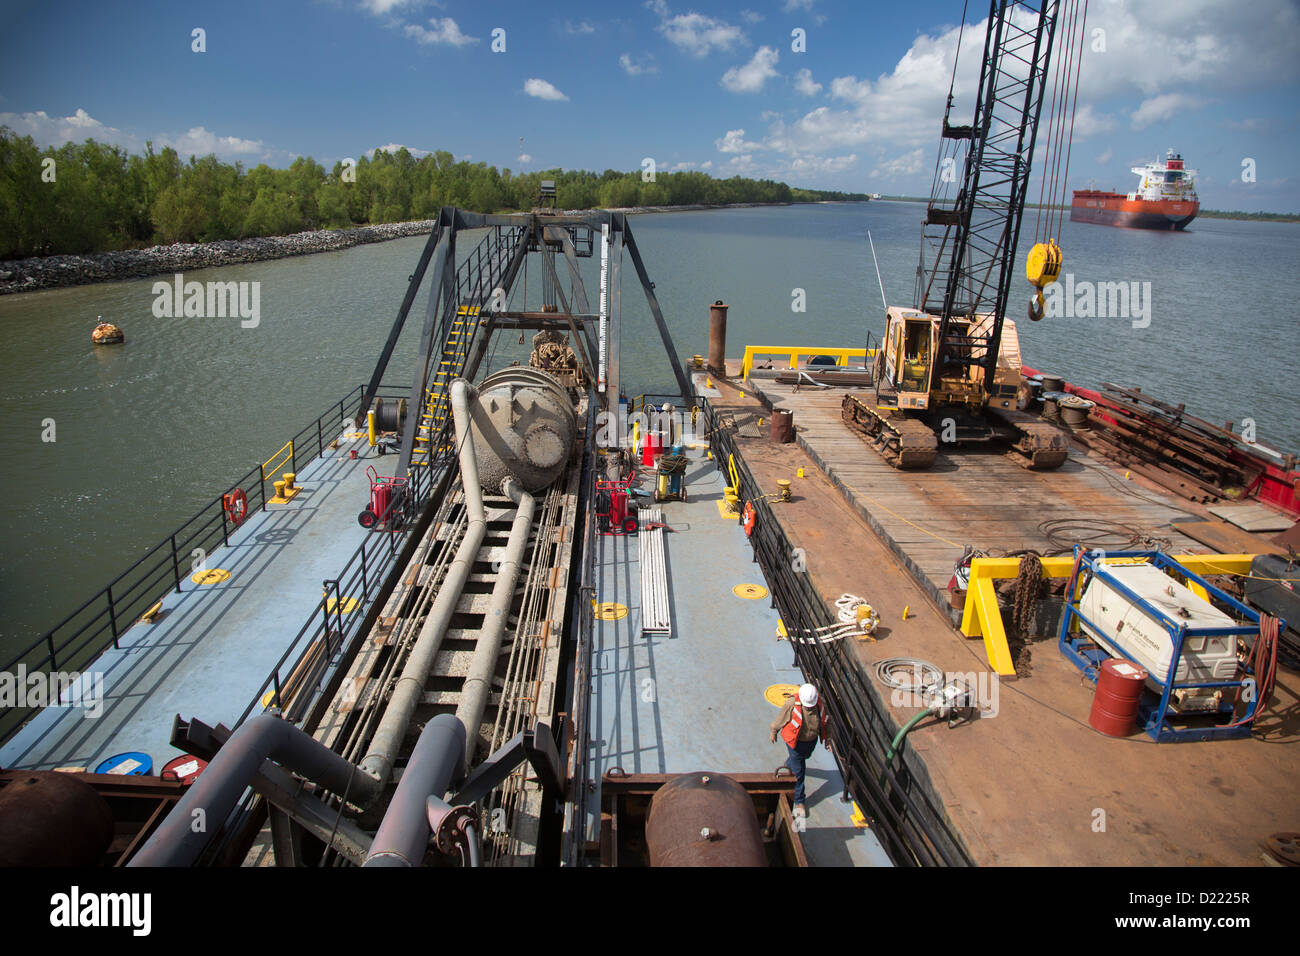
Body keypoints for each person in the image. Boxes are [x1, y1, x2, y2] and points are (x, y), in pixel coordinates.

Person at [769, 683, 829, 817]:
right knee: (799, 771)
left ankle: (789, 764)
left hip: (810, 742)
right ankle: (799, 800)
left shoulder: (820, 704)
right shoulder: (792, 704)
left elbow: (825, 722)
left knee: (803, 758)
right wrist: (774, 731)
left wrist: (828, 739)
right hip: (794, 742)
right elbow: (781, 719)